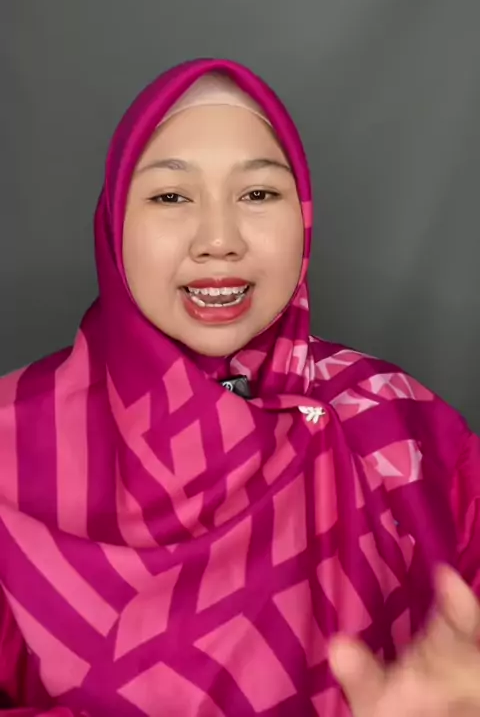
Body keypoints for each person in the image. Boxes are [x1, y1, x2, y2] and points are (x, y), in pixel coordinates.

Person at [0, 58, 479, 717]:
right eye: (171, 197)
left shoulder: (400, 426)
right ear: (114, 222)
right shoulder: (12, 445)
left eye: (257, 194)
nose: (219, 240)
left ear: (303, 215)